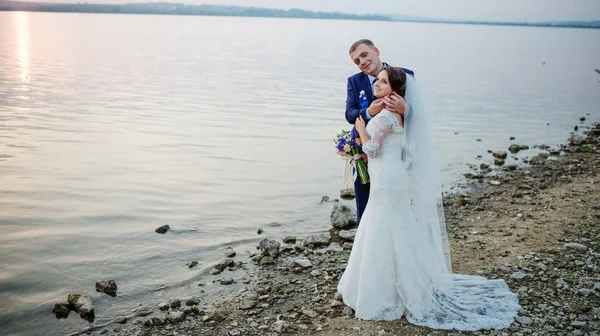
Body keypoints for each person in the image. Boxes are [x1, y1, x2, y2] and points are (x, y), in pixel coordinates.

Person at [337, 66, 520, 330]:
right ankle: (402, 283)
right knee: (394, 227)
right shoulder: (396, 114)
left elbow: (374, 149)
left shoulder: (388, 115)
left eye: (382, 81)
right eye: (377, 80)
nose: (376, 83)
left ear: (395, 89)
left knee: (382, 227)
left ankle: (382, 292)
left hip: (386, 180)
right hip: (392, 177)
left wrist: (361, 130)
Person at [345, 39, 413, 225]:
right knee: (366, 200)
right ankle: (365, 241)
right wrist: (368, 112)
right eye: (357, 61)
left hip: (393, 154)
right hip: (363, 151)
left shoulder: (404, 75)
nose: (362, 62)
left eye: (364, 55)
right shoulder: (354, 81)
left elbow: (422, 113)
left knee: (393, 202)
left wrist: (407, 109)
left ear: (376, 50)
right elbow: (350, 113)